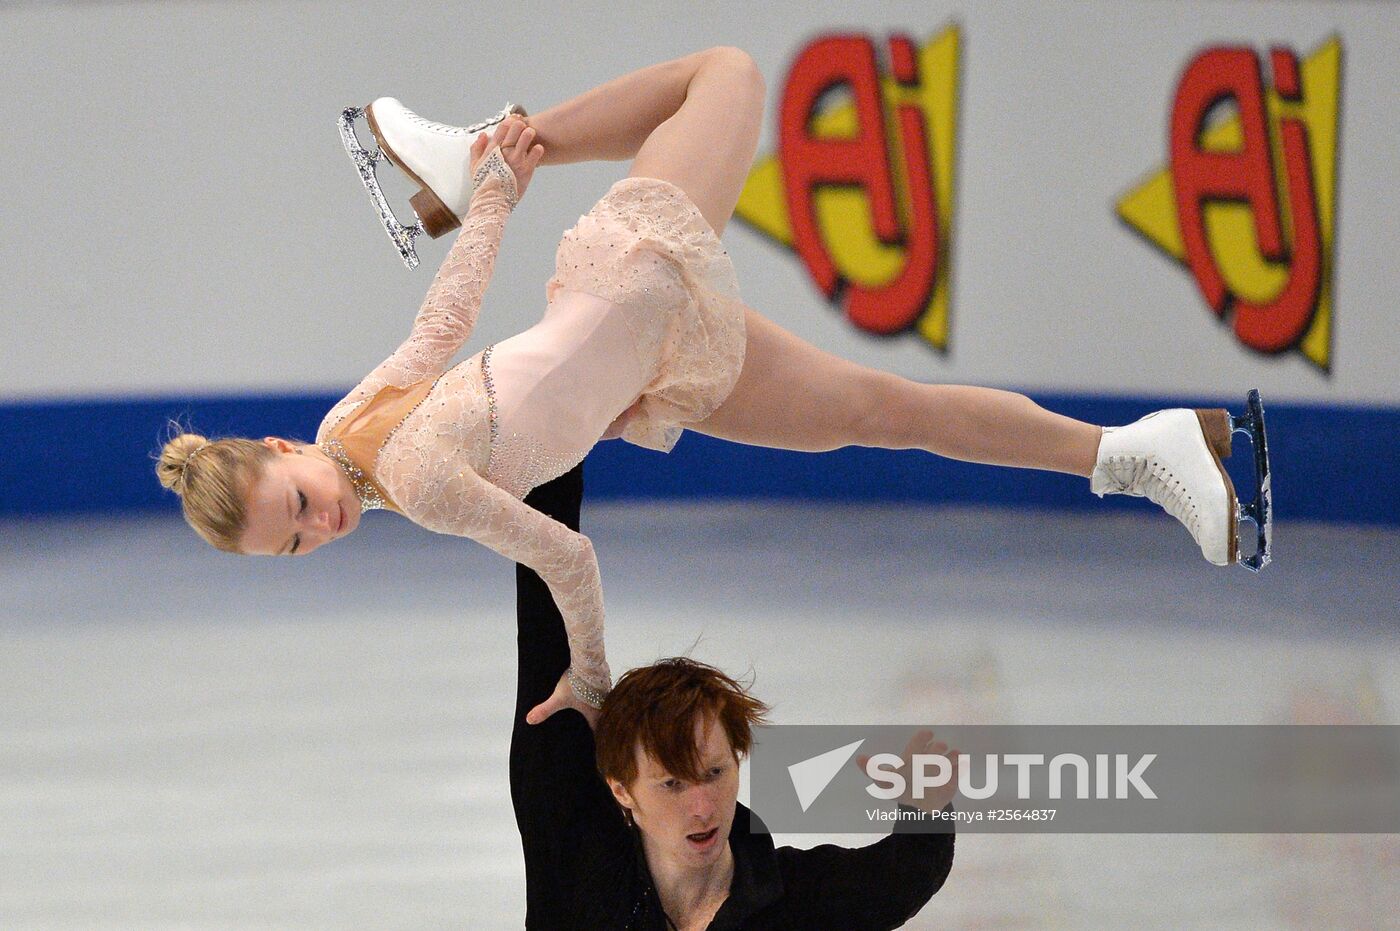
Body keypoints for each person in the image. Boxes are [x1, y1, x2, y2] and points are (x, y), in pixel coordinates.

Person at [156, 47, 1262, 723]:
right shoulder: (350, 434)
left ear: (284, 451)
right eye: (296, 545)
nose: (324, 525)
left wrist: (589, 677)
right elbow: (441, 325)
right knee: (887, 413)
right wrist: (488, 204)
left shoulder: (399, 467)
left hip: (632, 279)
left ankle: (496, 143)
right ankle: (1138, 452)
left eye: (298, 505)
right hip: (648, 360)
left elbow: (567, 554)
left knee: (723, 75)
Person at [512, 462, 956, 930]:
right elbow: (545, 586)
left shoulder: (794, 902)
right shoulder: (577, 869)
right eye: (672, 784)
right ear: (622, 789)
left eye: (715, 773)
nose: (703, 808)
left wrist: (925, 810)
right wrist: (556, 427)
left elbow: (902, 875)